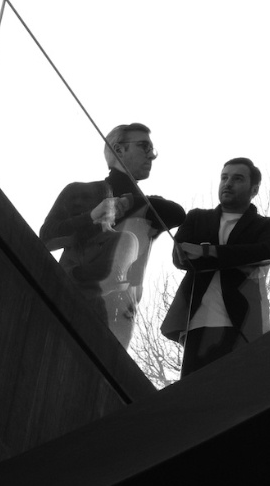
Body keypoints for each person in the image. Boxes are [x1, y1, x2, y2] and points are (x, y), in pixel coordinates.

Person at [39, 123, 185, 348]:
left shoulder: (149, 208)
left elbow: (177, 214)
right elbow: (47, 238)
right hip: (73, 300)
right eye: (144, 146)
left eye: (152, 149)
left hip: (121, 317)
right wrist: (91, 217)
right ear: (118, 150)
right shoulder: (80, 192)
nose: (151, 155)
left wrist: (128, 202)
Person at [166, 157, 270, 377]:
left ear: (254, 189)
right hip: (196, 320)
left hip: (244, 319)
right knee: (193, 388)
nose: (228, 183)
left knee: (240, 385)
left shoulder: (267, 225)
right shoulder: (196, 217)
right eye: (224, 177)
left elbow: (268, 252)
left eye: (237, 179)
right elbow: (180, 258)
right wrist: (235, 256)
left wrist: (208, 252)